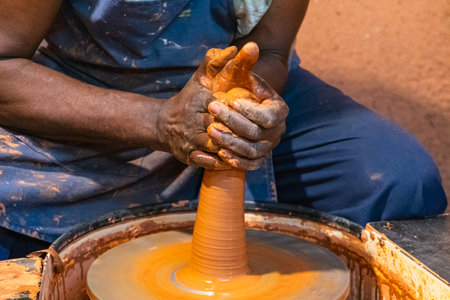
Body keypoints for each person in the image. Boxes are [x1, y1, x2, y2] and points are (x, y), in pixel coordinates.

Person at [0, 0, 446, 260]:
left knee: (395, 180)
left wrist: (253, 104)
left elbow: (270, 48)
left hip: (223, 89)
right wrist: (156, 121)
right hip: (78, 98)